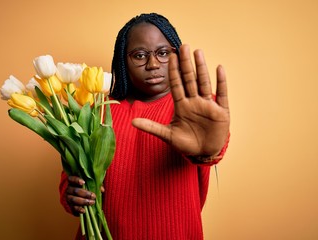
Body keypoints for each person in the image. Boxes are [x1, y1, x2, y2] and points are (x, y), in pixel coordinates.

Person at [59, 13, 230, 239]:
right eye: (139, 55)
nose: (153, 64)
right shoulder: (97, 110)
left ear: (177, 56)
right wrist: (72, 195)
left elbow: (214, 146)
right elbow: (69, 180)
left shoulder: (196, 107)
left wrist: (208, 152)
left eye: (163, 53)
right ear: (123, 60)